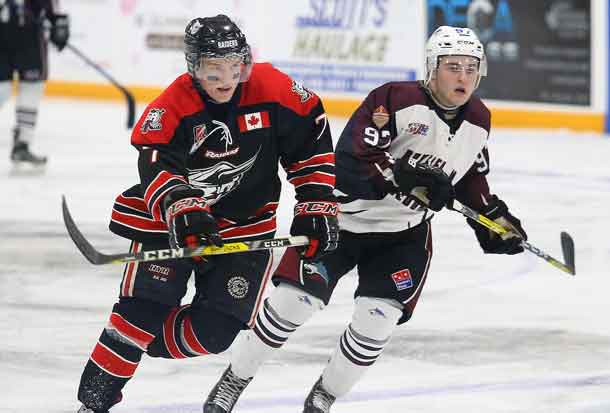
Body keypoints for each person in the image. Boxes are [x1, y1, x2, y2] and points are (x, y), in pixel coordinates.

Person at [203, 26, 528, 413]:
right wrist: (405, 176)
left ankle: (323, 398)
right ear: (431, 69)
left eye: (471, 67)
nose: (463, 76)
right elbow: (349, 162)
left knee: (377, 321)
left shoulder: (479, 119)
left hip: (403, 237)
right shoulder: (393, 99)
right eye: (452, 66)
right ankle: (234, 379)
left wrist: (492, 219)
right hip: (341, 223)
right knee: (293, 304)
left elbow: (470, 176)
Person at [75, 15, 338, 413]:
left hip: (247, 227)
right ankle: (94, 402)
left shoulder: (275, 90)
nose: (225, 77)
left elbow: (311, 141)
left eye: (235, 64)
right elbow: (156, 165)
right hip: (172, 225)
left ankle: (133, 337)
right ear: (193, 66)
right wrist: (185, 209)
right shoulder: (174, 105)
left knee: (217, 331)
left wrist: (315, 203)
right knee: (141, 311)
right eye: (213, 66)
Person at [0, 0, 70, 168]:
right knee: (2, 89)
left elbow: (52, 7)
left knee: (32, 87)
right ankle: (22, 142)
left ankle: (22, 143)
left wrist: (58, 22)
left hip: (31, 36)